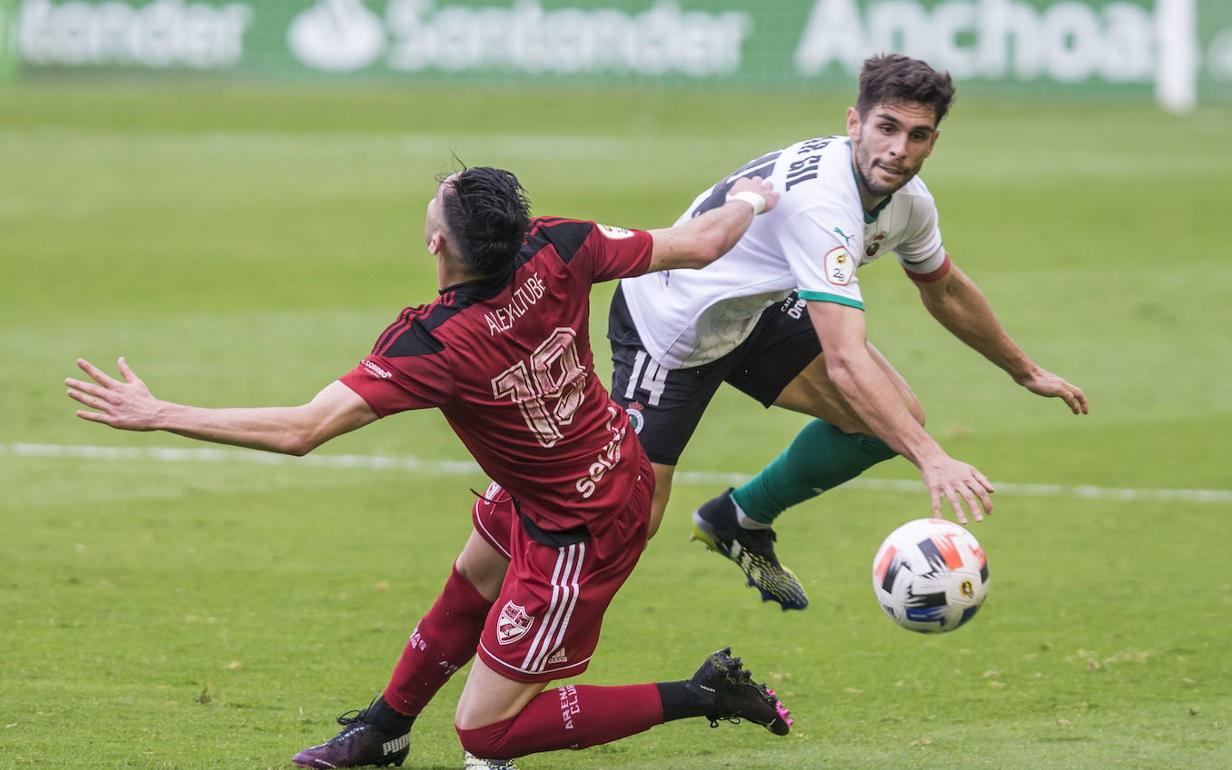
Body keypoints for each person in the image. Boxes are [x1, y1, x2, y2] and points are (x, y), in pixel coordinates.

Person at [65, 166, 791, 769]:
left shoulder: (436, 344)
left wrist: (161, 413)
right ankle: (385, 731)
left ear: (438, 239)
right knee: (469, 583)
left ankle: (705, 693)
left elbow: (302, 429)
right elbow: (699, 244)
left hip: (584, 525)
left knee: (487, 734)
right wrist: (752, 198)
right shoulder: (559, 247)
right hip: (572, 468)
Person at [608, 53, 1088, 610]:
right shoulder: (823, 205)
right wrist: (932, 458)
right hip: (672, 327)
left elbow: (945, 289)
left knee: (888, 420)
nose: (898, 149)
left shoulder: (907, 204)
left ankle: (737, 520)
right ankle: (523, 621)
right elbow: (845, 361)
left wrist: (1023, 370)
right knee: (629, 523)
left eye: (918, 135)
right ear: (854, 123)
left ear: (933, 142)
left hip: (752, 310)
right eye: (886, 128)